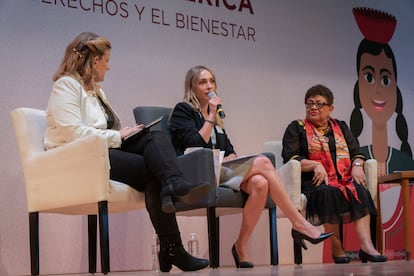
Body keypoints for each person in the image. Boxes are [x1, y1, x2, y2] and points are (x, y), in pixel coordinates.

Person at [44, 32, 210, 272]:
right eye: (107, 60)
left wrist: (127, 133)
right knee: (155, 172)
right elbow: (72, 133)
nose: (109, 67)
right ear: (94, 61)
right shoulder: (66, 86)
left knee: (154, 136)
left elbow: (107, 129)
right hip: (81, 157)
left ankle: (172, 186)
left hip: (102, 149)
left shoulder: (96, 92)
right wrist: (117, 136)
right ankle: (173, 244)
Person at [169, 65, 333, 268]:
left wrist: (232, 156)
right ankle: (299, 223)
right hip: (196, 171)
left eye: (212, 81)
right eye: (203, 82)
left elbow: (228, 148)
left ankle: (241, 246)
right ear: (192, 86)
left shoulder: (217, 118)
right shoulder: (183, 110)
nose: (209, 86)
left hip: (219, 169)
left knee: (260, 183)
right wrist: (210, 116)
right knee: (263, 162)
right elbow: (192, 145)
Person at [282, 84, 387, 263]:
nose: (313, 107)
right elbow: (290, 157)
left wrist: (357, 164)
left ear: (331, 108)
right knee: (327, 192)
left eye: (319, 104)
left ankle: (366, 247)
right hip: (314, 181)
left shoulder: (341, 127)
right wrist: (315, 165)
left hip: (344, 178)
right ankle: (336, 245)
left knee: (360, 189)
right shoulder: (296, 128)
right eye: (309, 103)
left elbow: (356, 152)